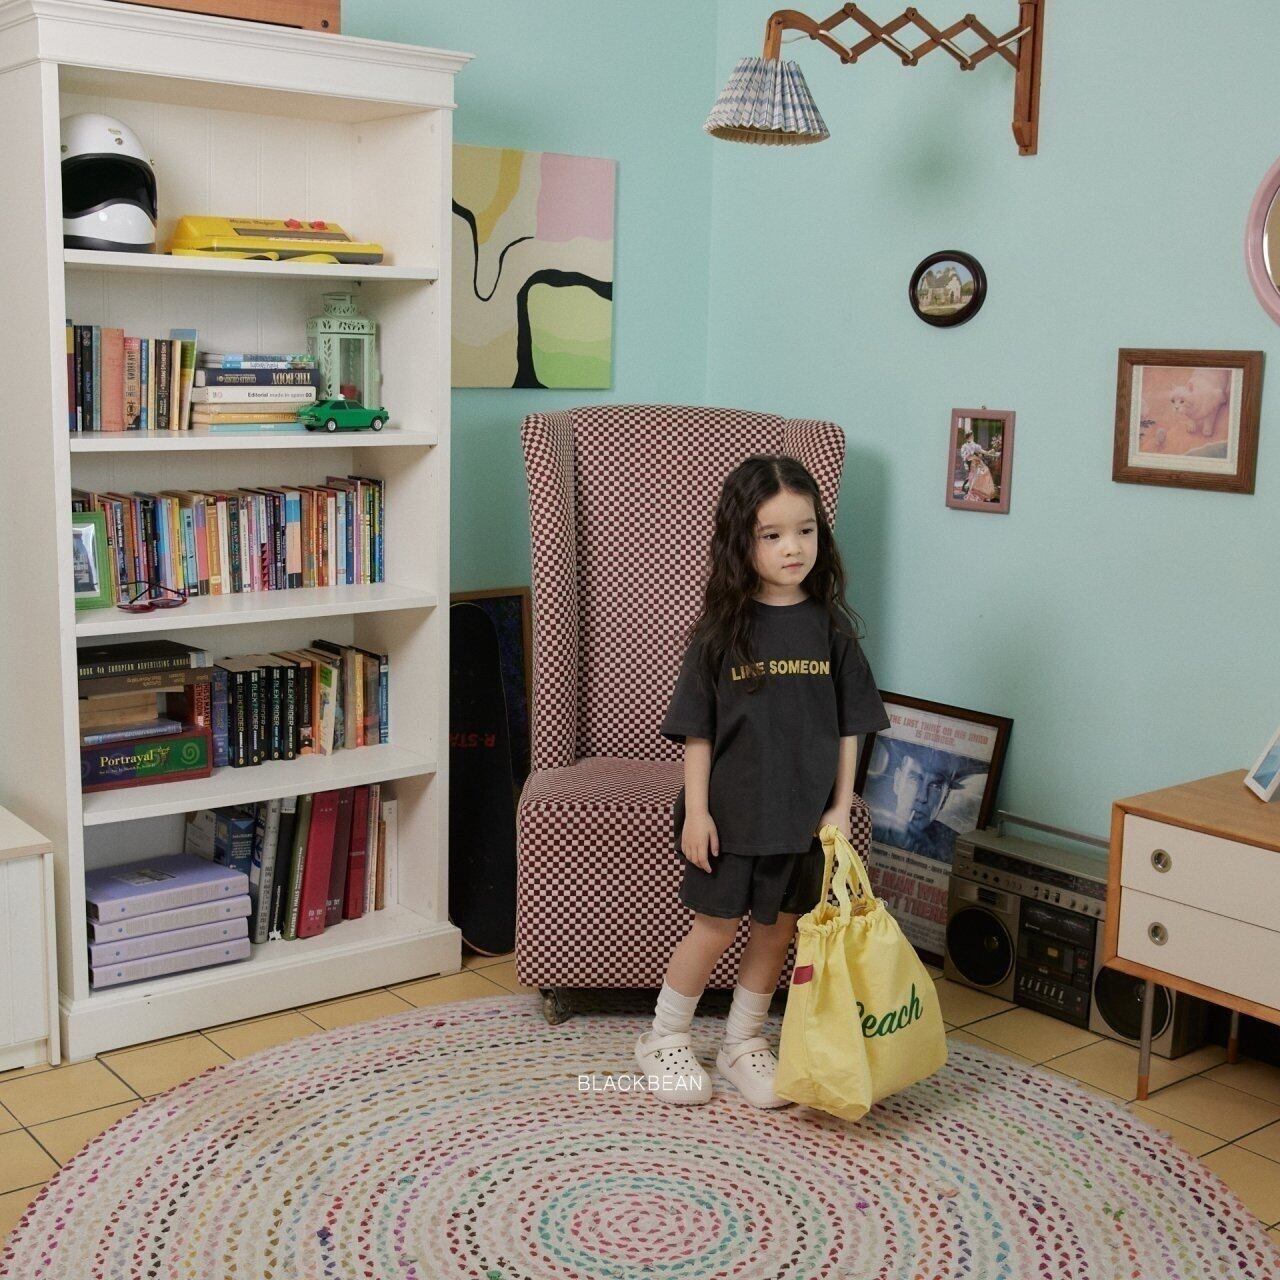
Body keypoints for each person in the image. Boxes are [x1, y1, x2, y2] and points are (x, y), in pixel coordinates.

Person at [636, 454, 890, 1107]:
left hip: (801, 820)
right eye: (771, 535)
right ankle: (664, 1037)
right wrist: (697, 812)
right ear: (740, 541)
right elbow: (698, 732)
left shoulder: (832, 629)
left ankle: (743, 1042)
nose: (792, 548)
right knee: (715, 928)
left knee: (778, 930)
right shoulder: (721, 631)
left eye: (804, 531)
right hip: (729, 817)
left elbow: (850, 727)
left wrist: (840, 807)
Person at [870, 743, 985, 863]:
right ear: (898, 781)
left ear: (945, 798)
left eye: (935, 786)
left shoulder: (955, 849)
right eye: (914, 778)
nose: (922, 797)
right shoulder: (869, 827)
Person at [959, 425, 999, 502]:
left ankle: (984, 492)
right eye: (971, 436)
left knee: (984, 472)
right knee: (980, 474)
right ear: (969, 437)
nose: (972, 437)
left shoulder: (974, 445)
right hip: (974, 463)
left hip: (977, 462)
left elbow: (983, 452)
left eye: (972, 436)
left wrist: (990, 452)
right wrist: (971, 458)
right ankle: (979, 492)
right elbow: (965, 457)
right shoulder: (965, 446)